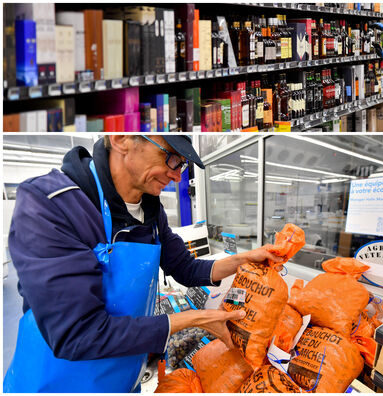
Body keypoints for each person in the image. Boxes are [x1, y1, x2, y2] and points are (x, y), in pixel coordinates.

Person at [3, 135, 285, 392]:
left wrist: (242, 260)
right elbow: (77, 334)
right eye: (171, 158)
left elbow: (185, 269)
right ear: (122, 138)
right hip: (58, 381)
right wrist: (197, 319)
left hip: (125, 374)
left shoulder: (150, 209)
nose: (176, 176)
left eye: (182, 165)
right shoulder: (50, 205)